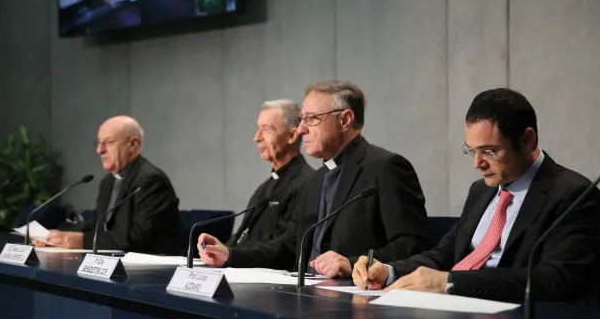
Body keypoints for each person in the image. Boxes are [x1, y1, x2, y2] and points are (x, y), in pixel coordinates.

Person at [353, 88, 600, 303]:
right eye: (471, 150)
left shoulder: (575, 195)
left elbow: (553, 279)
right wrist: (390, 270)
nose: (477, 163)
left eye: (490, 151)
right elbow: (446, 254)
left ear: (527, 140)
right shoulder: (480, 191)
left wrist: (452, 282)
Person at [197, 81, 430, 277]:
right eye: (301, 120)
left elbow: (413, 244)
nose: (300, 130)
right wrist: (230, 254)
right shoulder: (314, 182)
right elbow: (290, 246)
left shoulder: (386, 168)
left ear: (345, 120)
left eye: (311, 119)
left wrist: (353, 263)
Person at [31, 116, 183, 254]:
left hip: (152, 273)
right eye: (98, 142)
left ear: (132, 144)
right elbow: (99, 227)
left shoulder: (151, 181)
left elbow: (138, 239)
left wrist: (80, 241)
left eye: (109, 142)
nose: (99, 150)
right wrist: (56, 236)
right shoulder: (108, 182)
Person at [226, 100, 314, 247]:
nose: (257, 138)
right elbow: (244, 236)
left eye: (266, 129)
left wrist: (232, 255)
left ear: (291, 136)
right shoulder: (265, 187)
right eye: (258, 128)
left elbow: (283, 246)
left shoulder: (307, 184)